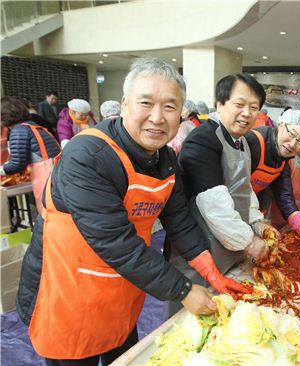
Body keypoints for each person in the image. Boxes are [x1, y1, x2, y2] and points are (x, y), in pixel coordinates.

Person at [16, 57, 243, 366]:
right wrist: (183, 289)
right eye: (146, 103)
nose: (157, 118)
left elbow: (178, 218)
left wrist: (210, 271)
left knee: (126, 357)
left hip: (123, 286)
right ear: (124, 104)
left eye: (170, 107)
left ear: (181, 113)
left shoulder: (165, 160)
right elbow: (114, 240)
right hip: (67, 292)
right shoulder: (88, 155)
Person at [177, 74, 278, 303]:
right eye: (239, 104)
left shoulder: (241, 141)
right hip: (204, 247)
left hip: (232, 243)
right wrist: (249, 242)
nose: (247, 113)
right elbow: (214, 206)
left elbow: (244, 187)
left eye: (254, 107)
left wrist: (255, 219)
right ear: (220, 104)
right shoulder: (203, 140)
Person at [245, 109, 300, 212]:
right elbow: (233, 184)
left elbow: (270, 188)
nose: (292, 144)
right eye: (292, 133)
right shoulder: (252, 141)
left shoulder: (284, 156)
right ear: (281, 125)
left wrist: (261, 209)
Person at [0, 97, 60, 211]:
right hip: (57, 174)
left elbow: (17, 165)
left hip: (46, 177)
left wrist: (2, 169)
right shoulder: (33, 126)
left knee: (47, 212)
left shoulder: (18, 131)